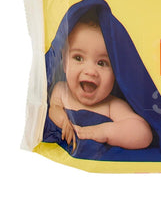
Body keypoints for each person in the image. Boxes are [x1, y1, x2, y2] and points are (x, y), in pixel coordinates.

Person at [48, 10, 153, 150]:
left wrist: (104, 131)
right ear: (65, 62)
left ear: (116, 72)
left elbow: (143, 134)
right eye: (78, 58)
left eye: (102, 63)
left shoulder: (112, 105)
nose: (90, 71)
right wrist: (64, 122)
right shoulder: (61, 90)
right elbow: (54, 108)